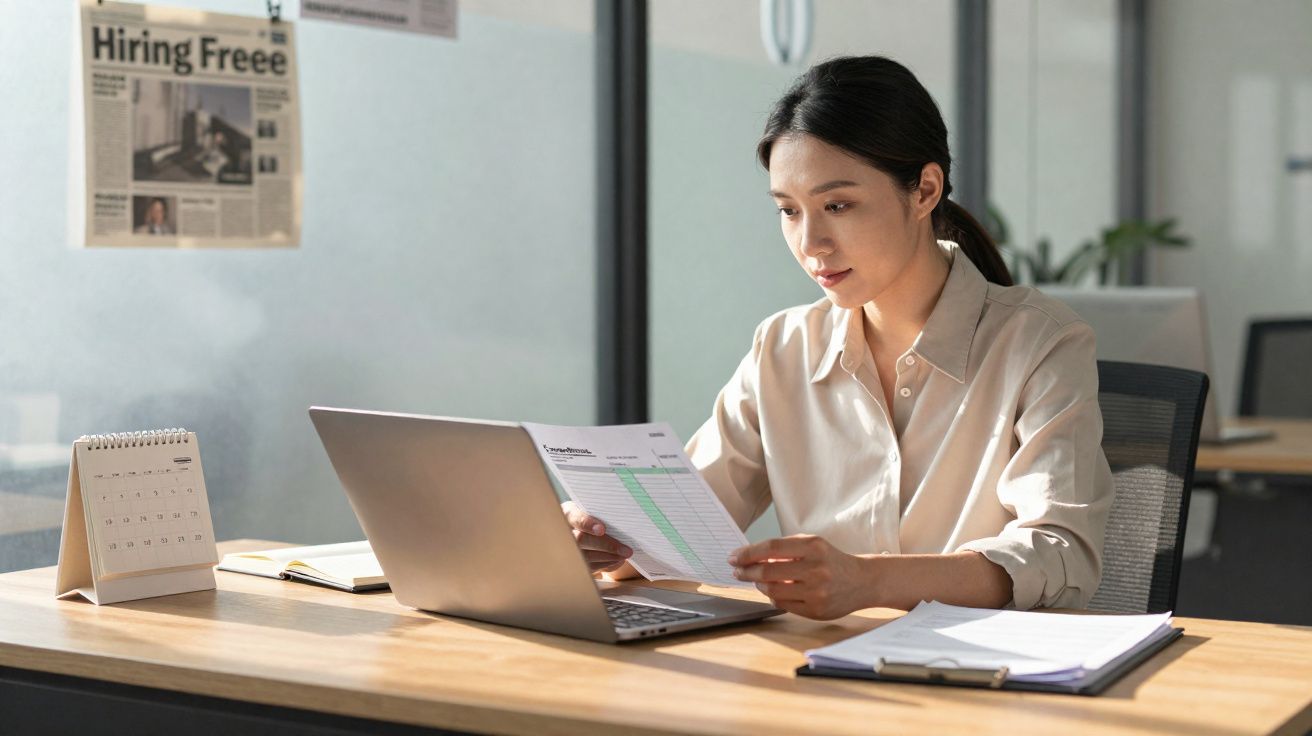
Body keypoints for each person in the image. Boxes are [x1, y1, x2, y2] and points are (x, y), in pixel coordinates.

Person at [563, 55, 1112, 620]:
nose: (811, 242)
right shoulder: (783, 348)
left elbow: (1060, 554)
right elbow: (685, 522)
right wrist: (601, 537)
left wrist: (870, 581)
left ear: (924, 191)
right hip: (816, 673)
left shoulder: (1041, 342)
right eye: (789, 211)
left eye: (837, 205)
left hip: (981, 682)